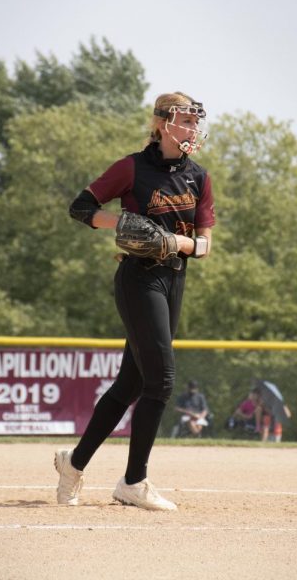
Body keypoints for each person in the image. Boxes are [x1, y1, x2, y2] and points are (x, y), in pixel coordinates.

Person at [54, 92, 214, 511]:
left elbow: (204, 245)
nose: (192, 128)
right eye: (184, 120)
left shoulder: (199, 176)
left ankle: (72, 465)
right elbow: (81, 208)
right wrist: (126, 223)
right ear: (162, 123)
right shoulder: (133, 167)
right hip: (138, 280)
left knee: (132, 383)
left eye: (196, 122)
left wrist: (175, 241)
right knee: (161, 380)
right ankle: (133, 481)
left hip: (174, 280)